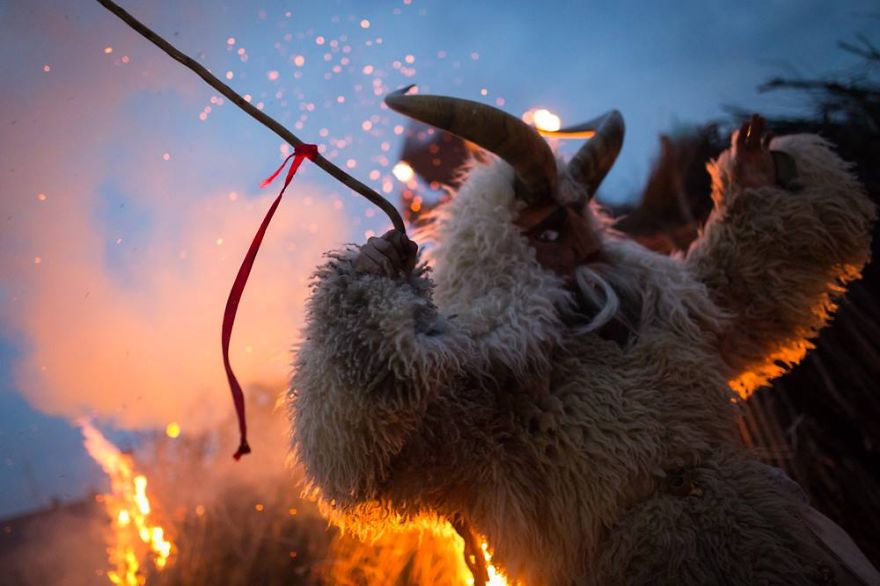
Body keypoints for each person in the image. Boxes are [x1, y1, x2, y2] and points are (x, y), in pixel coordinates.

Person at [289, 91, 878, 585]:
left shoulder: (661, 309)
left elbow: (746, 294)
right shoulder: (483, 379)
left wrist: (762, 198)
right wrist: (365, 315)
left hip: (772, 550)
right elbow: (365, 462)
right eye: (549, 231)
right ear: (501, 252)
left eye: (582, 218)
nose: (581, 241)